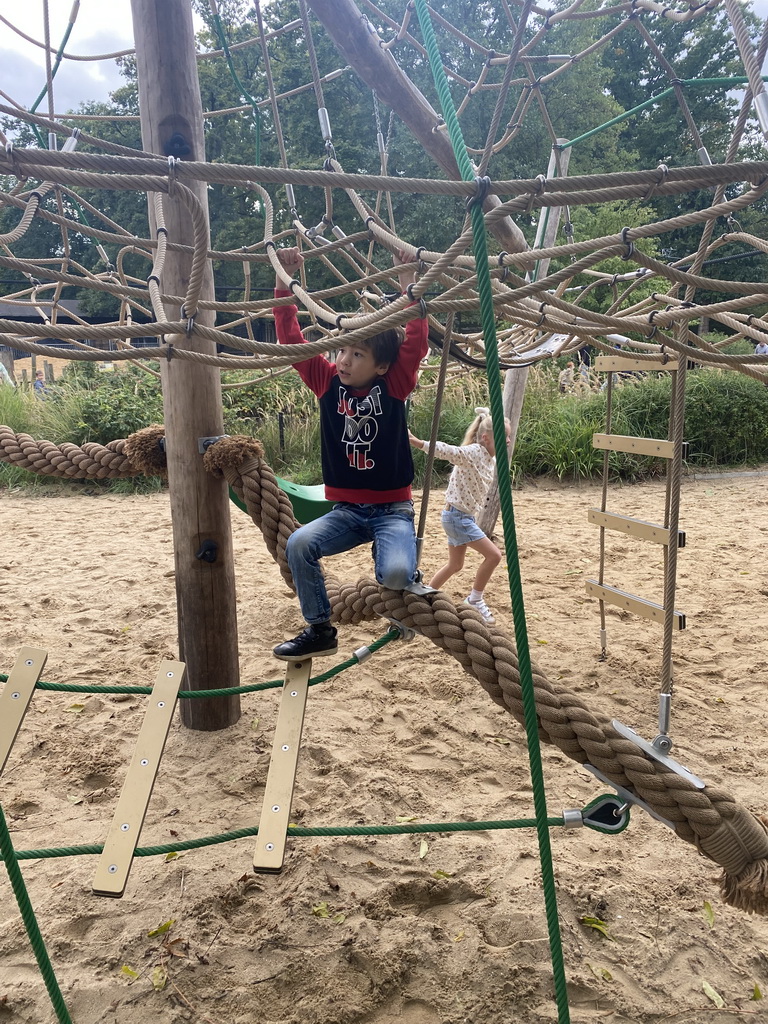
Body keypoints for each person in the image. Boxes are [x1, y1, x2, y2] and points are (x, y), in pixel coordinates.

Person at [272, 246, 429, 661]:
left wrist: (408, 282)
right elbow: (291, 339)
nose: (343, 359)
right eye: (342, 350)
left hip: (393, 509)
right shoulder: (326, 384)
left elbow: (414, 340)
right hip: (346, 511)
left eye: (357, 354)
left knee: (395, 574)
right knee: (299, 544)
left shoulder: (394, 384)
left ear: (380, 366)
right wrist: (285, 283)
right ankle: (319, 628)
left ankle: (402, 563)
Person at [408, 408, 511, 625]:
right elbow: (448, 451)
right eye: (504, 436)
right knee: (494, 556)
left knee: (455, 565)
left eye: (509, 436)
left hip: (461, 517)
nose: (509, 441)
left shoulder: (490, 459)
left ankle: (424, 597)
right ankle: (475, 599)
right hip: (457, 517)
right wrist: (418, 443)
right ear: (486, 438)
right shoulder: (474, 452)